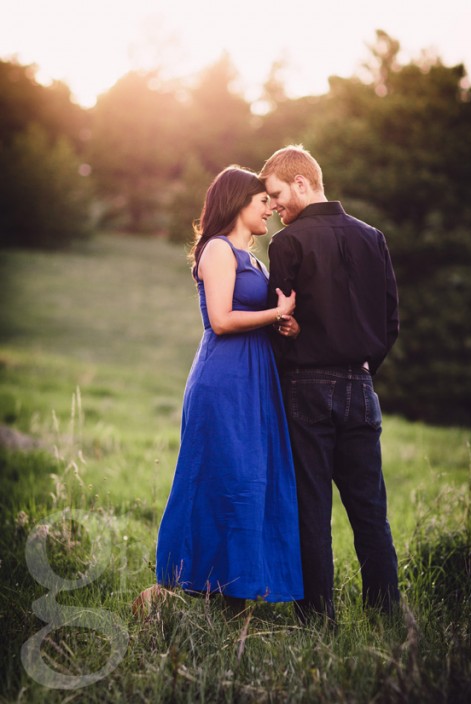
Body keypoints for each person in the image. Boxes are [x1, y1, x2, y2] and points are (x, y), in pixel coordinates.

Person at [258, 145, 400, 624]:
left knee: (312, 510)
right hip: (361, 385)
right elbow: (391, 321)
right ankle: (385, 616)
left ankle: (318, 620)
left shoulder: (288, 243)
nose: (274, 207)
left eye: (277, 195)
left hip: (306, 387)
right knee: (370, 511)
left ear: (301, 183)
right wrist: (362, 367)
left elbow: (279, 322)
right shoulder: (372, 237)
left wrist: (298, 350)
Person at [154, 166, 304, 613]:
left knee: (250, 479)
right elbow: (220, 320)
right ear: (239, 203)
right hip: (224, 378)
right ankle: (198, 583)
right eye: (263, 202)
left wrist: (286, 326)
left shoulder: (254, 259)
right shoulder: (218, 249)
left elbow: (258, 317)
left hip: (256, 377)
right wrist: (276, 313)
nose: (270, 209)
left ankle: (237, 588)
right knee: (224, 477)